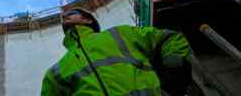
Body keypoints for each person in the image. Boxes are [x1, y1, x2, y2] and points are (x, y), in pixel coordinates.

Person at [41, 9, 192, 96]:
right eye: (64, 17)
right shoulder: (55, 71)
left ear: (88, 20)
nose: (64, 16)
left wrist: (174, 73)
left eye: (72, 13)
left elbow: (169, 38)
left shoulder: (120, 34)